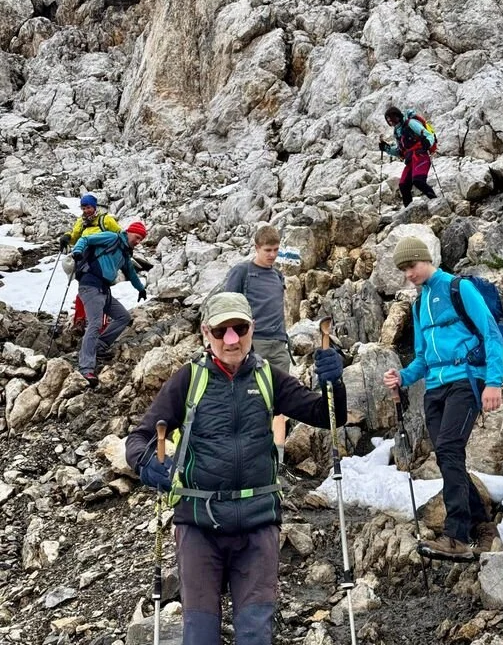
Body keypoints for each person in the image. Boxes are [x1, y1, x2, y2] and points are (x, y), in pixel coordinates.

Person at [125, 292, 347, 645]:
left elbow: (327, 415)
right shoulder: (189, 380)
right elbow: (139, 437)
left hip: (257, 525)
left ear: (252, 330)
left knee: (255, 634)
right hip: (199, 526)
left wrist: (334, 382)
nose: (231, 338)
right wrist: (146, 463)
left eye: (240, 328)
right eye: (221, 330)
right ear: (205, 333)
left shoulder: (268, 378)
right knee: (200, 635)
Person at [382, 237, 503, 561]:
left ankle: (457, 536)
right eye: (403, 269)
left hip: (466, 381)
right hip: (435, 389)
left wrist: (494, 382)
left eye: (411, 266)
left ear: (425, 259)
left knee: (449, 448)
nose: (408, 273)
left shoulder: (457, 288)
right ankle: (485, 528)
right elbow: (422, 358)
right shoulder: (419, 304)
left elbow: (490, 332)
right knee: (449, 456)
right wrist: (403, 377)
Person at [224, 226, 289, 466]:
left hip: (279, 344)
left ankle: (277, 460)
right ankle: (247, 456)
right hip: (253, 344)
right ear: (256, 248)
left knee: (279, 400)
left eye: (276, 250)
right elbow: (226, 306)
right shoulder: (243, 271)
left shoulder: (277, 276)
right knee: (251, 399)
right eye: (267, 250)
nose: (272, 255)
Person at [72, 222, 148, 386]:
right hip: (90, 285)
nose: (138, 241)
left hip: (104, 290)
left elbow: (131, 273)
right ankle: (86, 368)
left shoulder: (125, 253)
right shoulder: (112, 237)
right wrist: (77, 251)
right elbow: (86, 239)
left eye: (141, 239)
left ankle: (99, 346)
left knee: (123, 317)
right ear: (129, 232)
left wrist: (141, 289)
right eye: (137, 237)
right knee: (95, 323)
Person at [59, 194, 122, 332]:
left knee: (101, 291)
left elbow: (119, 234)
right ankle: (79, 322)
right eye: (83, 207)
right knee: (85, 289)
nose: (86, 210)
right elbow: (75, 236)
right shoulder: (81, 222)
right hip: (84, 259)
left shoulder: (106, 220)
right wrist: (67, 237)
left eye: (88, 207)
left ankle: (101, 325)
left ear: (94, 207)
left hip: (102, 260)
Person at [379, 106, 437, 207]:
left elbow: (428, 135)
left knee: (418, 180)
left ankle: (437, 202)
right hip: (410, 160)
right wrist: (387, 148)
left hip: (421, 155)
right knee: (403, 185)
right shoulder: (397, 132)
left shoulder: (410, 123)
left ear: (397, 116)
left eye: (392, 119)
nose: (391, 122)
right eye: (389, 121)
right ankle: (408, 211)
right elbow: (400, 151)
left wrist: (427, 142)